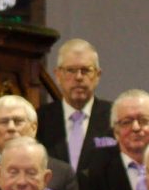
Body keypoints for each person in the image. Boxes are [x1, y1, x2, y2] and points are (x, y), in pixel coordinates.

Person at [36, 39, 116, 173]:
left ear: (97, 75)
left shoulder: (115, 117)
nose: (78, 77)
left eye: (85, 70)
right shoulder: (40, 119)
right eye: (71, 70)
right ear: (58, 75)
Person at [0, 93, 70, 190]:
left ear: (33, 128)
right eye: (4, 122)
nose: (11, 127)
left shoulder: (62, 173)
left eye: (18, 121)